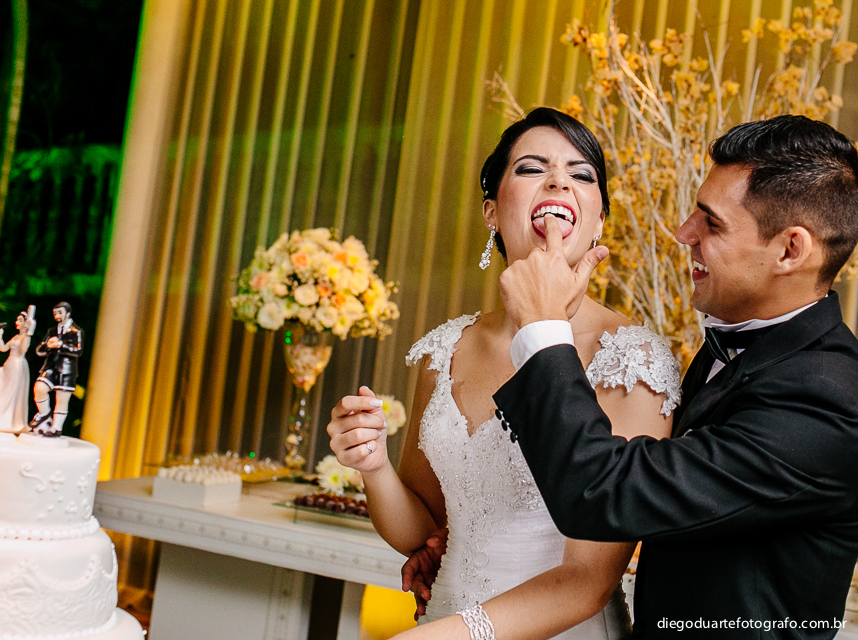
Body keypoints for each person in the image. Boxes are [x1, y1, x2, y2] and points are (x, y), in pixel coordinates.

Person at [492, 115, 858, 639]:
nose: (683, 233)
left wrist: (543, 327)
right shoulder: (740, 343)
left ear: (790, 250)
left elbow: (602, 491)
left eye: (711, 222)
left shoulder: (829, 399)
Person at [328, 108, 681, 639]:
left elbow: (587, 580)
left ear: (599, 220)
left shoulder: (633, 361)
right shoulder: (445, 349)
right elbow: (424, 530)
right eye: (532, 168)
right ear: (492, 212)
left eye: (581, 174)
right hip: (443, 615)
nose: (560, 180)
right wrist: (373, 466)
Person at [0, 308, 36, 433]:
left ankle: (10, 420)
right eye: (17, 320)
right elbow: (4, 348)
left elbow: (24, 349)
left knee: (12, 392)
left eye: (20, 320)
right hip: (9, 364)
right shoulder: (16, 336)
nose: (17, 322)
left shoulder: (24, 337)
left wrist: (29, 333)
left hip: (18, 365)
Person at [31, 301, 83, 437]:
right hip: (50, 366)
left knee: (62, 399)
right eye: (55, 313)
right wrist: (48, 345)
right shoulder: (52, 331)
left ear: (68, 313)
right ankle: (44, 414)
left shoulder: (76, 332)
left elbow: (78, 350)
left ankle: (56, 428)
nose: (57, 316)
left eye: (60, 312)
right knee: (39, 388)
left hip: (66, 370)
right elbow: (40, 350)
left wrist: (60, 344)